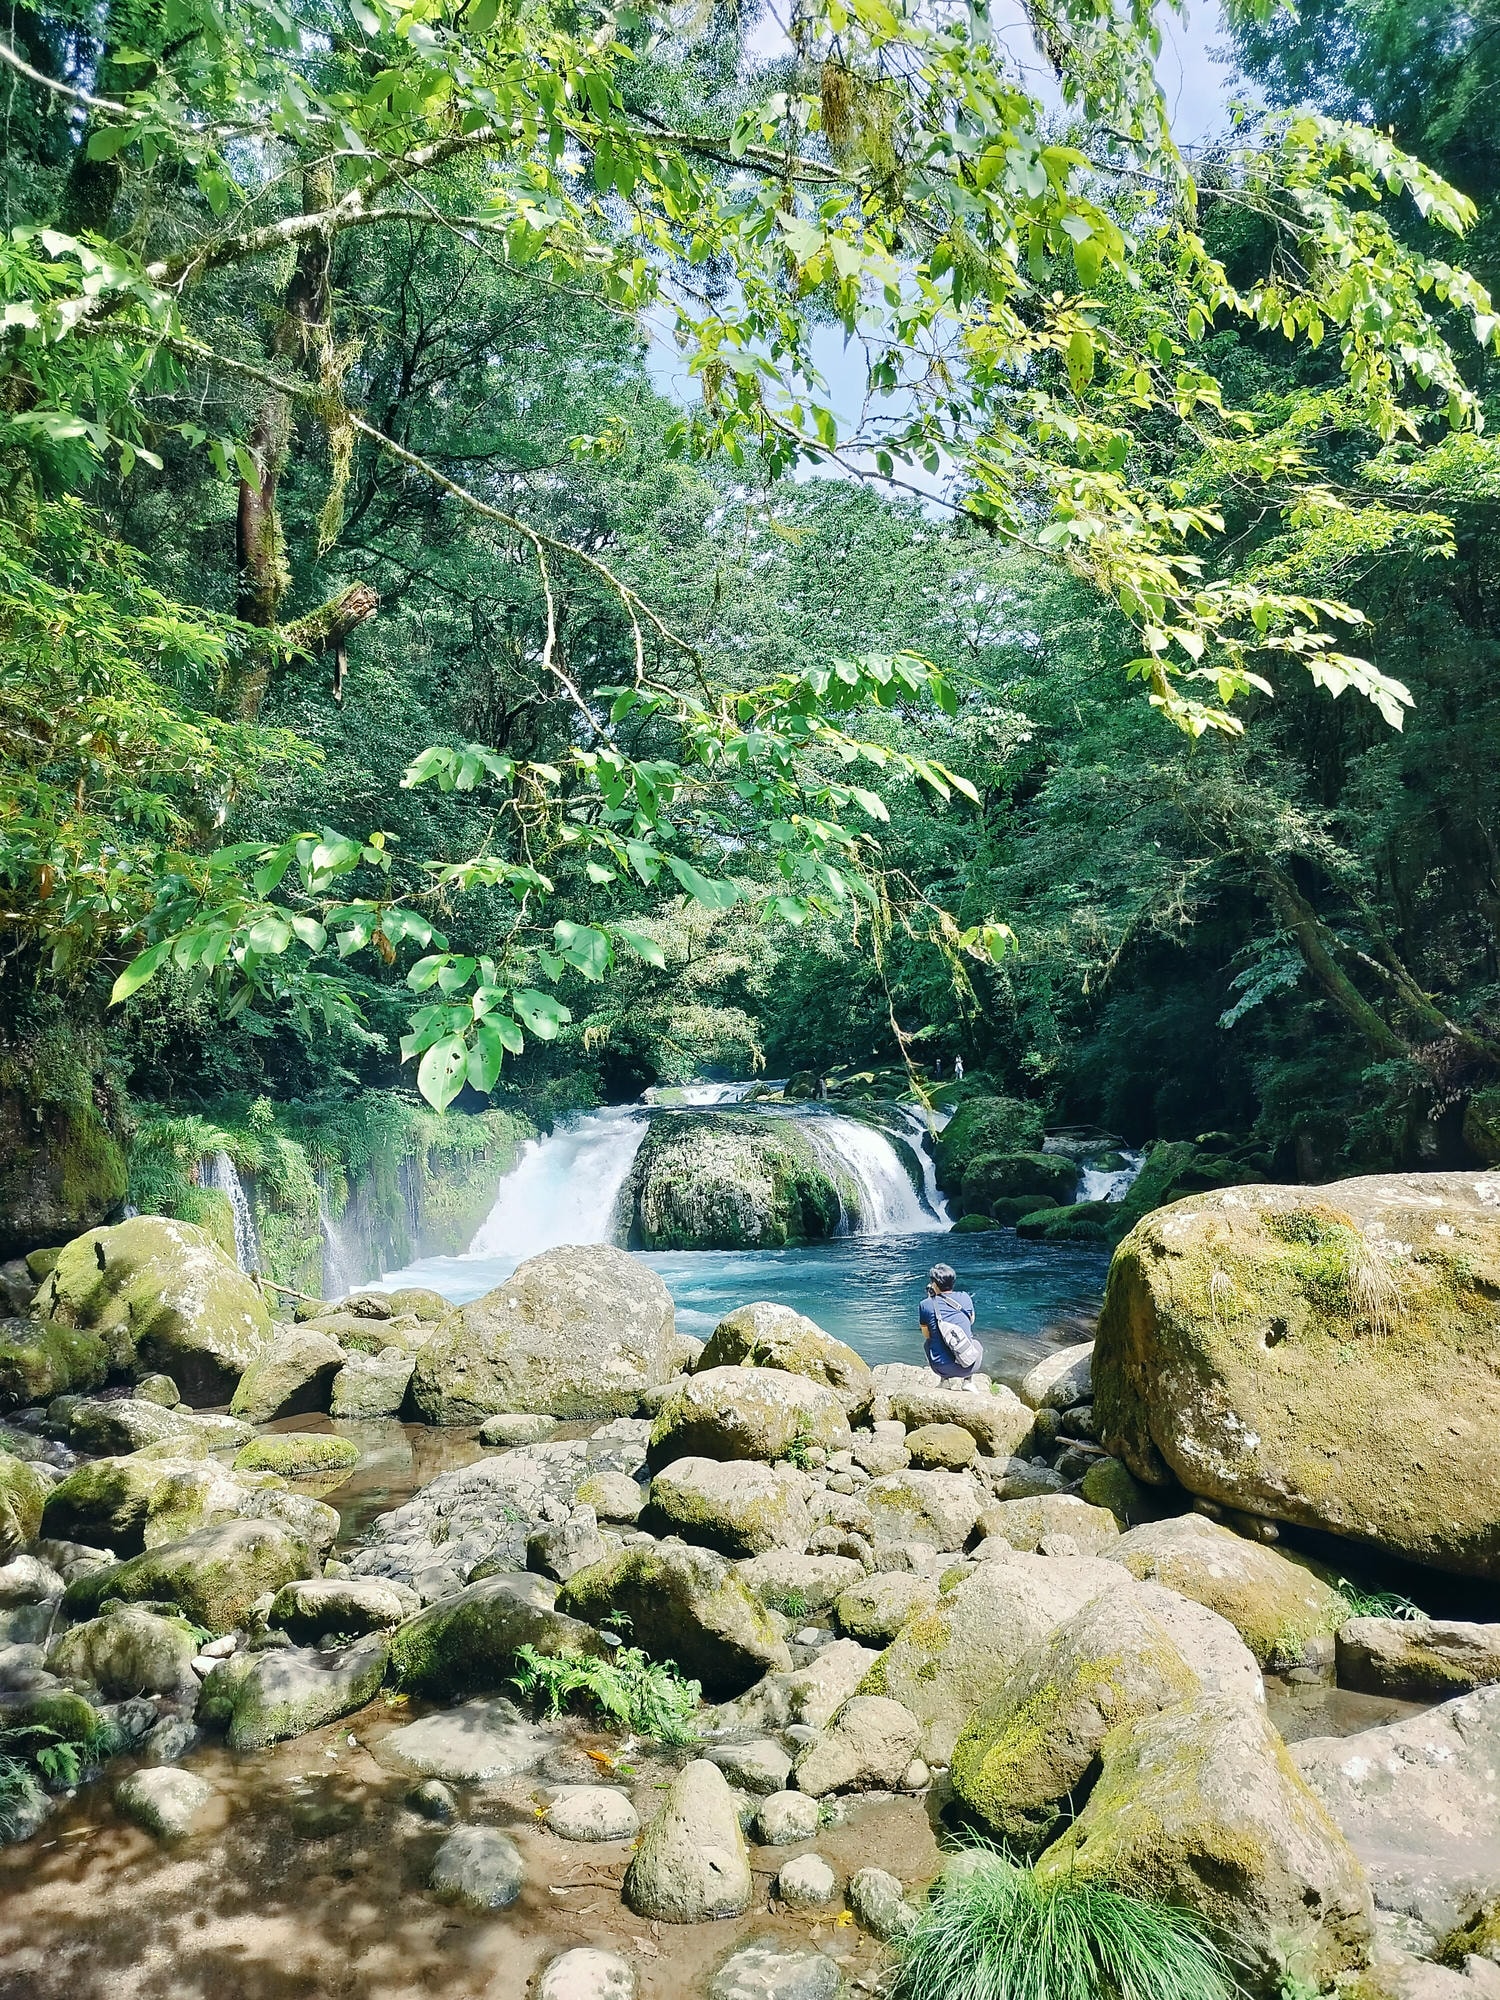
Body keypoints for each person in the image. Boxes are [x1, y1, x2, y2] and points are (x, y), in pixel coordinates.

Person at [919, 1262, 983, 1390]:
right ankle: (968, 1381)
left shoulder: (925, 1304)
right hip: (970, 1365)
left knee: (928, 1343)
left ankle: (944, 1381)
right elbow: (971, 1321)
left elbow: (926, 1335)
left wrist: (931, 1299)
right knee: (975, 1343)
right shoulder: (965, 1297)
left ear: (934, 1284)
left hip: (942, 1367)